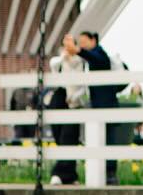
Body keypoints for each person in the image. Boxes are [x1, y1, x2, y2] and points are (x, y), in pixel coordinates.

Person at [77, 27, 121, 185]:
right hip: (100, 105)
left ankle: (110, 173)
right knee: (101, 139)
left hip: (106, 105)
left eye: (84, 42)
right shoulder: (93, 57)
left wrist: (78, 51)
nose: (82, 45)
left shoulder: (100, 54)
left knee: (108, 140)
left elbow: (94, 57)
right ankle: (106, 173)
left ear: (93, 40)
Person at [49, 33, 86, 186]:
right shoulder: (59, 61)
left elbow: (83, 86)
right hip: (59, 98)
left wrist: (74, 97)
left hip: (72, 102)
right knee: (59, 137)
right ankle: (70, 175)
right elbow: (53, 64)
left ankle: (58, 173)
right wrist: (64, 56)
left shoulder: (80, 62)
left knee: (69, 137)